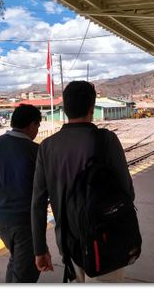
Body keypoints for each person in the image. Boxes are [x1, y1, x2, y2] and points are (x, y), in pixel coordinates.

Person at [31, 81, 135, 283]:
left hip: (69, 245)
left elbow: (37, 204)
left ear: (64, 109)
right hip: (107, 240)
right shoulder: (106, 140)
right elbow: (127, 192)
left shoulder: (47, 147)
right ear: (91, 108)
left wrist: (40, 249)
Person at [0, 104, 42, 283]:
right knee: (26, 273)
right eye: (38, 126)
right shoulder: (34, 150)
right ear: (32, 125)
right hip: (24, 221)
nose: (37, 131)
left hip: (2, 219)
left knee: (16, 261)